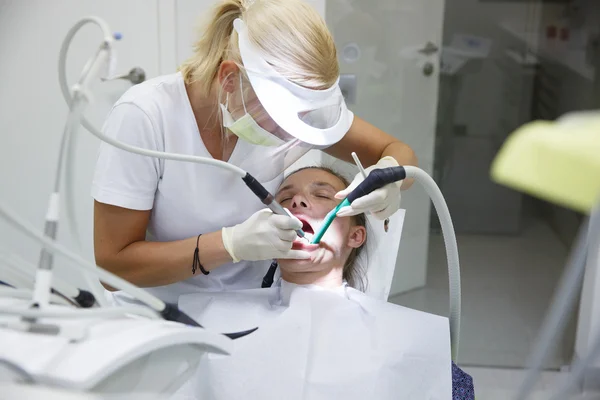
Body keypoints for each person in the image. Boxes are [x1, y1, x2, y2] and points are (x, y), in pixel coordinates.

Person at [92, 0, 416, 304]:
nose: (294, 136)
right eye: (282, 118)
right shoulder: (146, 116)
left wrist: (389, 177)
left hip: (255, 307)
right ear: (230, 79)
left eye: (304, 118)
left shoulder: (294, 114)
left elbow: (398, 150)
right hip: (162, 316)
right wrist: (228, 245)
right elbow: (113, 267)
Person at [175, 167, 473, 400]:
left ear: (355, 237)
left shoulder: (409, 339)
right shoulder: (207, 322)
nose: (297, 201)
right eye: (284, 199)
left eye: (321, 195)